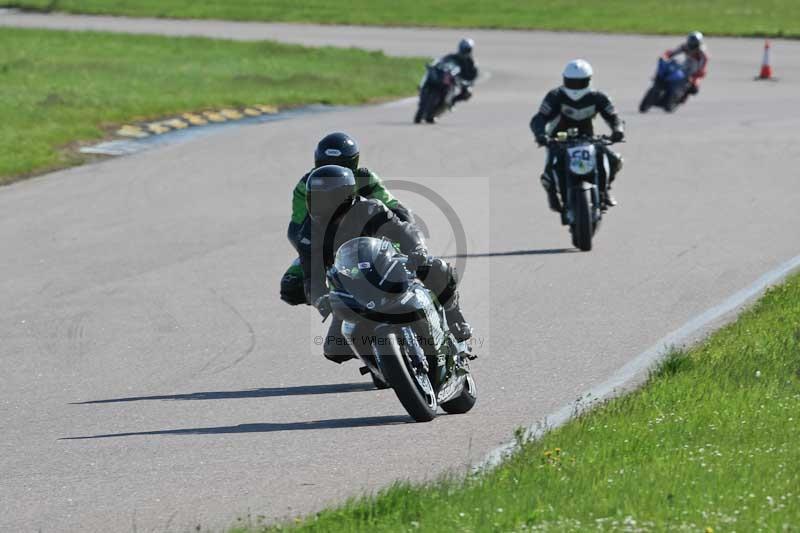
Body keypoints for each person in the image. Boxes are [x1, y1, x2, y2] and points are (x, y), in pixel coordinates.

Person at [300, 165, 472, 364]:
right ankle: (381, 364)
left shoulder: (369, 208)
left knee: (437, 268)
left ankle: (455, 319)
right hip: (351, 286)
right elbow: (311, 275)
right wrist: (320, 298)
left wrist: (417, 250)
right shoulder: (309, 233)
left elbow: (401, 230)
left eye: (326, 198)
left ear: (344, 196)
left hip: (389, 267)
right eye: (315, 198)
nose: (320, 205)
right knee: (334, 348)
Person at [280, 132, 413, 306]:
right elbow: (296, 227)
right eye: (326, 165)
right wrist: (314, 254)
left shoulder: (364, 177)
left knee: (415, 264)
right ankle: (337, 302)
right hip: (323, 241)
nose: (332, 173)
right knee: (291, 286)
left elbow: (395, 207)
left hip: (367, 239)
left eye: (341, 165)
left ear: (353, 164)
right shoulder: (307, 184)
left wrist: (402, 235)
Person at [529, 59, 625, 214]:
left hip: (588, 138)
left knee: (614, 160)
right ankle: (553, 194)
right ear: (564, 80)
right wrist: (541, 135)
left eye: (580, 82)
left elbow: (614, 116)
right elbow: (539, 118)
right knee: (551, 169)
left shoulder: (598, 97)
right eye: (571, 82)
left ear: (589, 80)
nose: (575, 87)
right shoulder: (555, 96)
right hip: (558, 139)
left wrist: (618, 131)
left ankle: (604, 189)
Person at [665, 31, 708, 102]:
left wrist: (701, 70)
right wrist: (667, 55)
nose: (692, 42)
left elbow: (705, 60)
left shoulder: (701, 50)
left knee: (694, 88)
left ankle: (684, 95)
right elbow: (675, 52)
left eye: (694, 40)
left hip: (695, 69)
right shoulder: (685, 46)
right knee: (671, 72)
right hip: (685, 66)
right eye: (691, 39)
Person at [440, 38, 479, 105]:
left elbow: (473, 77)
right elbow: (441, 62)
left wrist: (466, 83)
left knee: (468, 93)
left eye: (466, 49)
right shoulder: (452, 57)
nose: (464, 51)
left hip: (460, 81)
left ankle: (452, 102)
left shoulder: (471, 63)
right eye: (463, 48)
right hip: (448, 77)